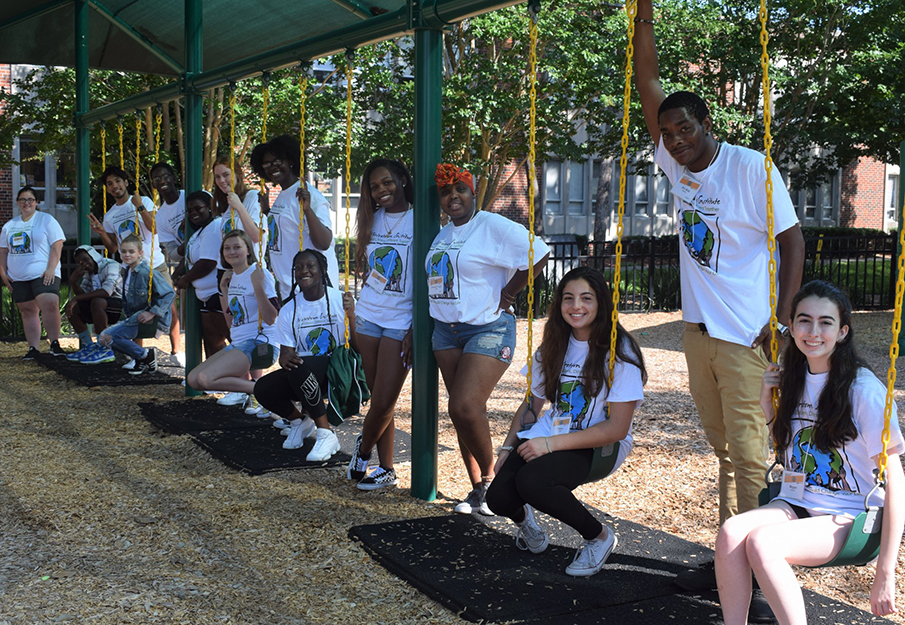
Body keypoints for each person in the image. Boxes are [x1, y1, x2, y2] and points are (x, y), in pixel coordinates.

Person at [632, 0, 806, 599]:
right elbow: (647, 80)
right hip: (698, 333)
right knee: (722, 450)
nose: (675, 139)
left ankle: (759, 567)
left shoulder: (750, 169)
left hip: (746, 335)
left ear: (708, 125)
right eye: (667, 131)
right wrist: (643, 16)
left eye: (686, 128)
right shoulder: (676, 166)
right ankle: (733, 557)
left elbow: (791, 241)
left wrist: (782, 320)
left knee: (751, 455)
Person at [715, 281, 905, 625]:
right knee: (731, 532)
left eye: (825, 322)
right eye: (804, 320)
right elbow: (788, 450)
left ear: (842, 331)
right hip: (797, 501)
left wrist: (886, 571)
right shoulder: (792, 379)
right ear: (792, 326)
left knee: (762, 543)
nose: (813, 331)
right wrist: (765, 403)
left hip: (851, 516)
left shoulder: (864, 391)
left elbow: (896, 481)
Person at [486, 267, 646, 576]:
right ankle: (528, 525)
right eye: (568, 298)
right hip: (551, 434)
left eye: (586, 298)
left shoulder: (619, 351)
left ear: (601, 303)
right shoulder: (554, 345)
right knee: (499, 498)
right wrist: (507, 447)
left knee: (533, 482)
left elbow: (617, 428)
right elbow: (531, 406)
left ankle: (599, 537)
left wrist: (549, 444)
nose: (576, 306)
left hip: (600, 444)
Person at [427, 163, 550, 514]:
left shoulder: (490, 225)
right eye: (446, 191)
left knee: (463, 405)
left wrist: (510, 294)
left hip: (486, 327)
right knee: (464, 414)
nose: (453, 196)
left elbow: (538, 252)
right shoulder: (442, 235)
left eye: (460, 189)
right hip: (445, 331)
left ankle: (494, 482)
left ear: (473, 192)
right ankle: (479, 490)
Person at [346, 159, 415, 491]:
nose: (382, 190)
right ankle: (386, 469)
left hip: (402, 321)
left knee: (385, 400)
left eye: (387, 182)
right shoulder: (372, 220)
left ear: (402, 179)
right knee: (378, 399)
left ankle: (362, 450)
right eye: (374, 186)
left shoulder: (422, 218)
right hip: (370, 315)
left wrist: (418, 326)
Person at [254, 249, 355, 460]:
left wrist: (352, 314)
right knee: (263, 388)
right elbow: (286, 354)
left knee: (300, 365)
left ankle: (325, 432)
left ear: (322, 270)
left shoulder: (340, 300)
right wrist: (284, 358)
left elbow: (358, 345)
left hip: (338, 371)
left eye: (310, 266)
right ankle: (301, 421)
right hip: (305, 376)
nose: (304, 271)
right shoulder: (289, 309)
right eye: (298, 267)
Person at [90, 166, 170, 372]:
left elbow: (154, 228)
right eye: (109, 183)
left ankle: (176, 352)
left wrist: (140, 207)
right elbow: (113, 247)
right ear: (107, 189)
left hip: (154, 262)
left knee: (169, 306)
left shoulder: (143, 201)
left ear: (126, 182)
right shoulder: (110, 216)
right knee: (136, 311)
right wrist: (101, 232)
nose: (114, 186)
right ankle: (139, 356)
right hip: (132, 269)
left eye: (118, 180)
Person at [186, 230, 279, 403]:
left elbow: (271, 318)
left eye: (237, 247)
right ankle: (256, 390)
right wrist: (224, 289)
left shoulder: (259, 273)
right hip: (238, 342)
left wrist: (258, 287)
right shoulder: (233, 276)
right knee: (194, 379)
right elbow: (231, 323)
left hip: (259, 342)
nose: (231, 252)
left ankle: (264, 390)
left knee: (207, 378)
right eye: (227, 248)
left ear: (248, 250)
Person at [249, 135, 338, 298]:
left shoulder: (309, 195)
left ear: (290, 161)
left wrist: (308, 210)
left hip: (312, 291)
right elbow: (287, 228)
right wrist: (268, 211)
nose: (272, 167)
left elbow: (324, 243)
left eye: (277, 161)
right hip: (289, 287)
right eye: (267, 164)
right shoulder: (283, 194)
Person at [0, 186, 65, 359]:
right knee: (28, 311)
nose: (26, 203)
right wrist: (3, 274)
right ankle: (33, 349)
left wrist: (51, 268)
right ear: (17, 202)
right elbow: (3, 251)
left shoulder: (46, 220)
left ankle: (55, 344)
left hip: (44, 273)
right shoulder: (9, 226)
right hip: (18, 276)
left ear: (36, 202)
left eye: (30, 199)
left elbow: (57, 244)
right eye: (23, 200)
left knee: (50, 304)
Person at [98, 234, 176, 375]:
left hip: (147, 318)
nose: (127, 255)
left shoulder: (146, 272)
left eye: (131, 251)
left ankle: (145, 355)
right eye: (124, 251)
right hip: (134, 316)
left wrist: (152, 312)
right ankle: (142, 357)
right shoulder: (128, 271)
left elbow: (169, 293)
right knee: (104, 338)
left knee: (109, 337)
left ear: (140, 253)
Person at [174, 191, 229, 360]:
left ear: (210, 207)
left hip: (217, 293)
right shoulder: (199, 232)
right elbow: (189, 258)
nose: (193, 213)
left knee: (231, 339)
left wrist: (185, 279)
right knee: (212, 341)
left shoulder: (214, 226)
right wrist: (177, 274)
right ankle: (218, 381)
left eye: (198, 208)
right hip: (205, 297)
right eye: (190, 210)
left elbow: (207, 262)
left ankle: (246, 380)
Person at [148, 162, 185, 366]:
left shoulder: (190, 195)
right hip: (189, 261)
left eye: (165, 176)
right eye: (156, 179)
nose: (161, 181)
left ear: (173, 177)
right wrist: (188, 244)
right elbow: (172, 252)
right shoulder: (161, 215)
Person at [64, 245, 124, 364]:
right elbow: (83, 295)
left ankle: (104, 347)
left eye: (86, 260)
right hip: (100, 307)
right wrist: (73, 281)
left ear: (93, 256)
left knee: (97, 301)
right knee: (74, 308)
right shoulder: (89, 273)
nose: (84, 265)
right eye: (80, 263)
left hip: (119, 304)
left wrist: (76, 298)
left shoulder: (111, 265)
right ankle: (89, 346)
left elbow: (107, 291)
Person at [212, 155, 266, 264]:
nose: (221, 180)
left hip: (251, 269)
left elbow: (256, 237)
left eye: (226, 175)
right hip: (233, 270)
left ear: (237, 174)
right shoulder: (226, 205)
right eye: (217, 177)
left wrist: (240, 207)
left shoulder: (252, 196)